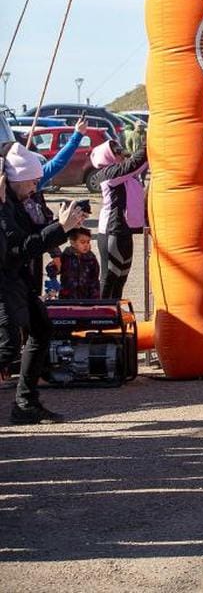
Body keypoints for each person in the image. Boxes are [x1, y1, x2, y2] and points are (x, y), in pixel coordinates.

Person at [1, 142, 86, 423]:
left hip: (18, 278)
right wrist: (60, 229)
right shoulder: (3, 206)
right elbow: (20, 247)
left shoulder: (22, 201)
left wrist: (64, 227)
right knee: (6, 346)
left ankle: (25, 403)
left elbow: (33, 235)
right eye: (34, 181)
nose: (36, 186)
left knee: (40, 329)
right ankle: (25, 403)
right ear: (18, 179)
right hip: (5, 279)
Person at [90, 139, 147, 299]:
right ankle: (101, 317)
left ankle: (114, 316)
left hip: (124, 230)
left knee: (121, 278)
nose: (121, 153)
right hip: (111, 230)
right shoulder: (108, 173)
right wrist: (147, 142)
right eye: (117, 151)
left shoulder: (124, 174)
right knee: (109, 278)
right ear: (107, 156)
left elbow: (141, 165)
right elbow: (134, 164)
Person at [50, 228, 101, 299]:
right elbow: (52, 268)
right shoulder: (66, 257)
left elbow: (95, 280)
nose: (86, 245)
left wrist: (95, 297)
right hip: (67, 297)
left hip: (86, 298)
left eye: (88, 242)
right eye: (82, 242)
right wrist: (53, 283)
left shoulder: (91, 258)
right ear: (73, 243)